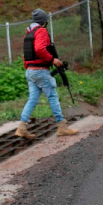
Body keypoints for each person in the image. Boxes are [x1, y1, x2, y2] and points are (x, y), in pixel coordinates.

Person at [15, 9, 79, 139]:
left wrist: (29, 67)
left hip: (30, 71)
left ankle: (22, 127)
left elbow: (27, 54)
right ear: (44, 21)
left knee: (32, 99)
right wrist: (52, 60)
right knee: (52, 97)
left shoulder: (28, 33)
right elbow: (39, 49)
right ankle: (62, 127)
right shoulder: (41, 31)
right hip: (40, 70)